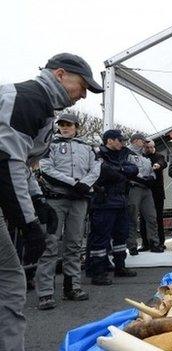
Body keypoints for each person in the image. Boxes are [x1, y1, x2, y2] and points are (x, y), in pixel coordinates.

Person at [0, 53, 102, 349]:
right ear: (60, 75)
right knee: (9, 282)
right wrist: (28, 222)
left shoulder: (39, 107)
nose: (83, 95)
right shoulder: (27, 99)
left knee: (9, 281)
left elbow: (22, 165)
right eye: (82, 86)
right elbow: (6, 163)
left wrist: (37, 199)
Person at [35, 113, 101, 310]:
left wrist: (85, 184)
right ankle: (45, 292)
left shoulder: (88, 147)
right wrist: (74, 183)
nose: (65, 128)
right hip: (56, 200)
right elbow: (46, 169)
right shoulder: (50, 145)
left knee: (73, 244)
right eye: (62, 125)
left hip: (79, 201)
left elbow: (96, 168)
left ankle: (72, 287)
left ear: (76, 127)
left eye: (69, 125)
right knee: (50, 244)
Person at [89, 130, 139, 285]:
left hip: (120, 201)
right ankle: (98, 272)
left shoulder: (122, 154)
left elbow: (134, 169)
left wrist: (119, 170)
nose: (122, 143)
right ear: (109, 140)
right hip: (104, 202)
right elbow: (103, 172)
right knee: (100, 238)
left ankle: (120, 267)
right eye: (119, 140)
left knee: (121, 236)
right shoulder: (97, 154)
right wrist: (121, 171)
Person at [126, 133, 161, 255]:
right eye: (143, 141)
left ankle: (154, 243)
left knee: (152, 217)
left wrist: (152, 177)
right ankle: (132, 246)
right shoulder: (127, 154)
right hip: (134, 188)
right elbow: (126, 170)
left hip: (146, 189)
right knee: (132, 218)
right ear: (135, 141)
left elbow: (152, 172)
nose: (145, 144)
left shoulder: (146, 158)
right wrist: (140, 178)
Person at [140, 140, 167, 251]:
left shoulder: (159, 156)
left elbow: (162, 162)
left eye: (152, 147)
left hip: (157, 193)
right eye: (147, 147)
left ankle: (160, 242)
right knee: (143, 219)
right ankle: (145, 243)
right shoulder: (141, 157)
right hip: (144, 191)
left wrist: (158, 165)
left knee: (158, 218)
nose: (150, 149)